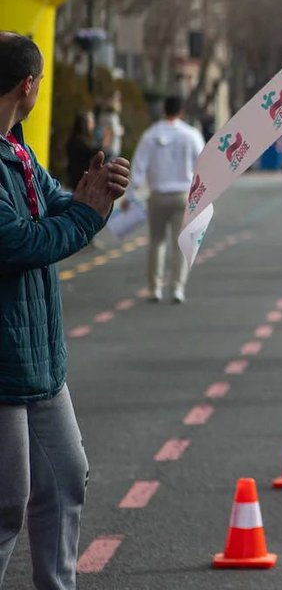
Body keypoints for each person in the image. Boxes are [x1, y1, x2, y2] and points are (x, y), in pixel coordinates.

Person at [0, 31, 130, 590]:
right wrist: (84, 217)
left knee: (66, 478)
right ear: (28, 86)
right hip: (4, 364)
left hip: (39, 359)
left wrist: (95, 192)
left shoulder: (19, 151)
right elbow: (18, 242)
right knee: (7, 500)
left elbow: (56, 203)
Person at [128, 95, 205, 303]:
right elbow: (204, 164)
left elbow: (139, 166)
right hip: (183, 196)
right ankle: (178, 288)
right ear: (182, 112)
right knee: (181, 244)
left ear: (164, 110)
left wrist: (131, 193)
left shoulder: (150, 135)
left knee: (156, 242)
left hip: (158, 196)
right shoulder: (191, 135)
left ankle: (155, 288)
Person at [64, 111, 100, 190]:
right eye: (91, 121)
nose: (93, 124)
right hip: (79, 180)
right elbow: (92, 152)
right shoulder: (78, 142)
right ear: (85, 123)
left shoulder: (77, 139)